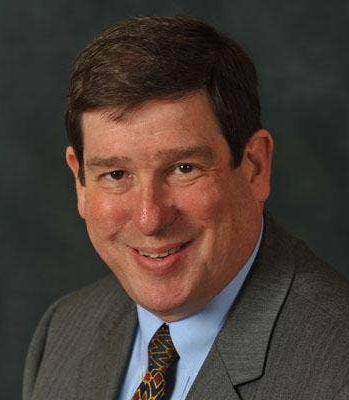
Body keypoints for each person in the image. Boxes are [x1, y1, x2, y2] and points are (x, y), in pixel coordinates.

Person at [23, 16, 349, 400]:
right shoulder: (62, 331)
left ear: (255, 167)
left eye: (183, 169)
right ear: (79, 182)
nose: (150, 219)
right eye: (116, 174)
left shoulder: (336, 370)